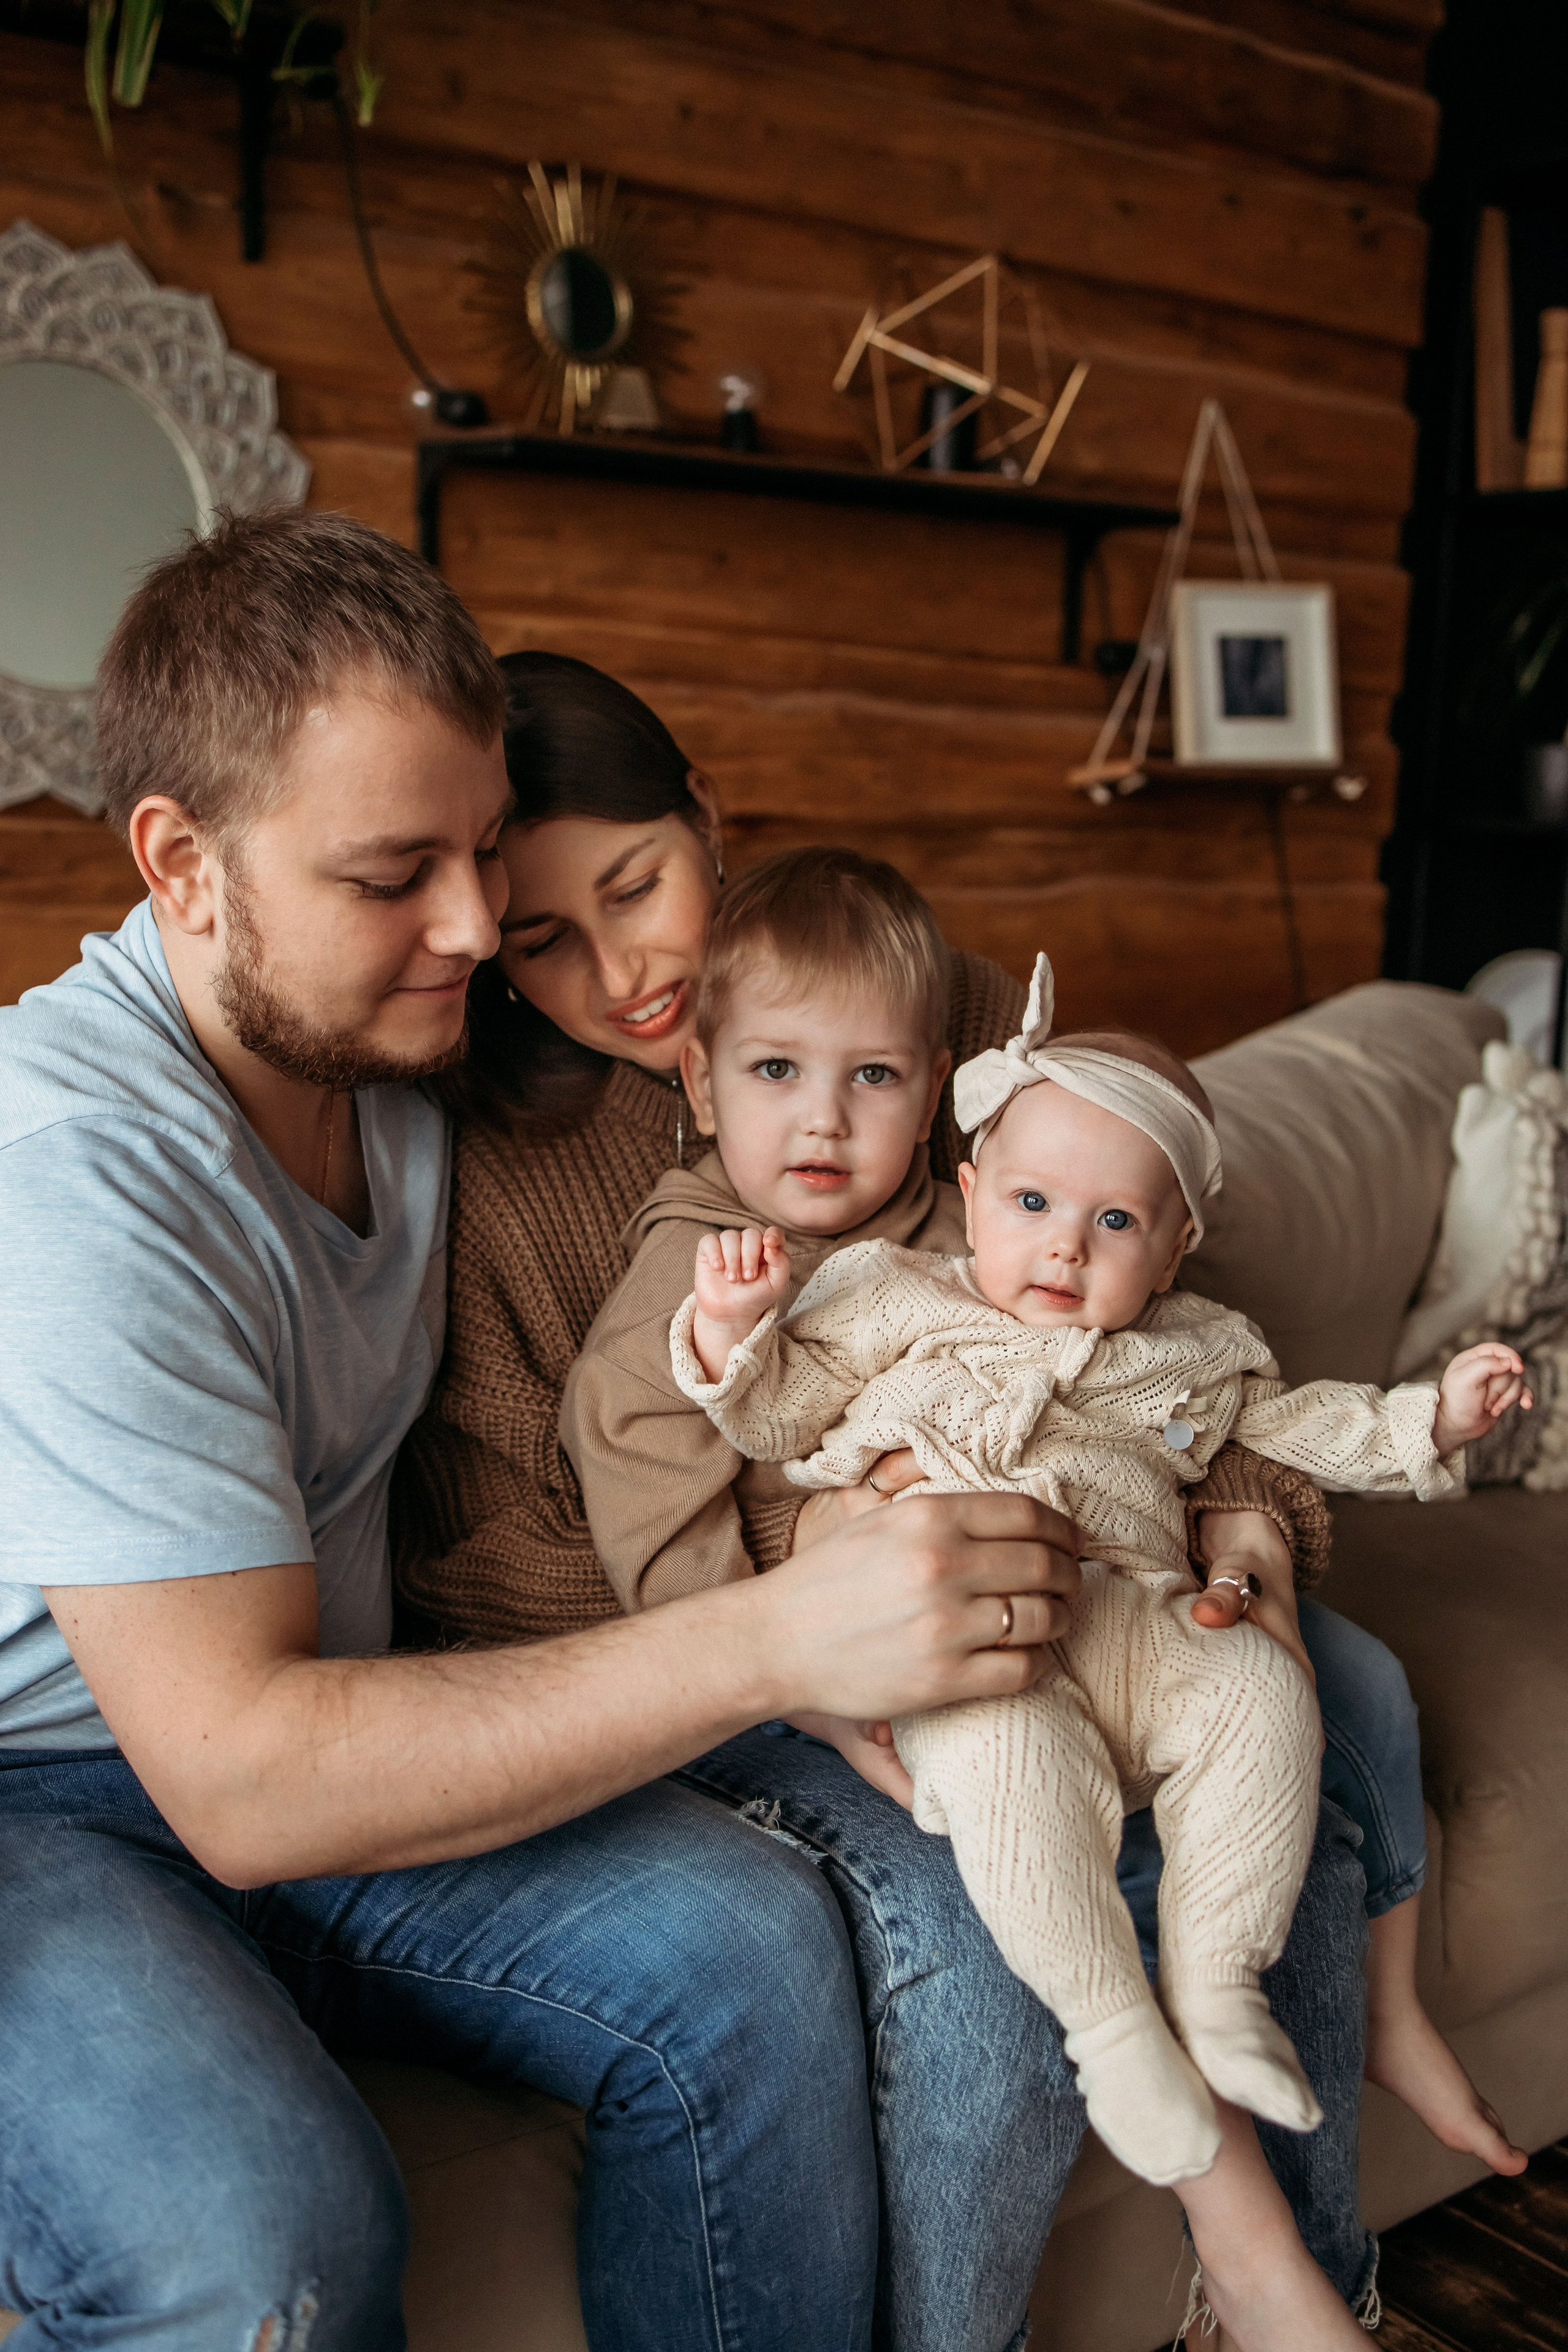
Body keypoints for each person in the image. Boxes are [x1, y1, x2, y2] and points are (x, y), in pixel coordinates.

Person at [0, 510, 1102, 2352]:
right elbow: (246, 1773)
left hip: (334, 1724)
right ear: (182, 867)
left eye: (484, 852)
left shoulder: (421, 1058)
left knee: (752, 1953)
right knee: (266, 2241)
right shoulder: (77, 1176)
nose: (468, 932)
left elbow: (911, 1017)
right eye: (391, 874)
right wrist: (775, 1631)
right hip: (53, 1790)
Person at [397, 662, 1388, 2347]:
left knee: (1323, 1720)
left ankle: (1283, 2259)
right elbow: (513, 1552)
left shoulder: (942, 1010)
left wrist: (1248, 1513)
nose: (625, 967)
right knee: (991, 1908)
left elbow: (1139, 1297)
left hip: (1058, 1542)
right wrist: (820, 1568)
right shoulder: (512, 1162)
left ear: (708, 818)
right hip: (710, 1646)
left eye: (639, 885)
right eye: (547, 936)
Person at [654, 913, 1525, 2214]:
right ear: (968, 1196)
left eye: (1112, 1220)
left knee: (1261, 1700)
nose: (1063, 1244)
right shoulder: (893, 1296)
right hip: (975, 1639)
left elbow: (1304, 1429)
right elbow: (780, 1418)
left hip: (1145, 1621)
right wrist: (731, 1331)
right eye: (1030, 1204)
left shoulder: (1198, 1349)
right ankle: (1111, 2030)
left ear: (1170, 1250)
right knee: (1001, 1764)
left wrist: (1431, 1420)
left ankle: (1219, 1983)